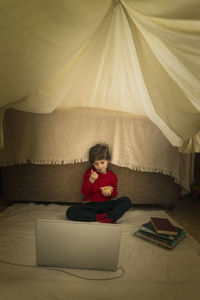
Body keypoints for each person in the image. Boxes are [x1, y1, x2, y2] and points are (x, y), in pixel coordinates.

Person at [66, 143, 131, 223]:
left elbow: (114, 194)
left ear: (108, 160)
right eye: (96, 164)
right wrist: (91, 180)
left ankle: (110, 218)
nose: (99, 167)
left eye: (102, 162)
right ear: (92, 163)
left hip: (105, 205)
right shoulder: (90, 173)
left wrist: (110, 193)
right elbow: (84, 193)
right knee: (70, 211)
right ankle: (99, 217)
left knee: (126, 200)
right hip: (90, 205)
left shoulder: (112, 176)